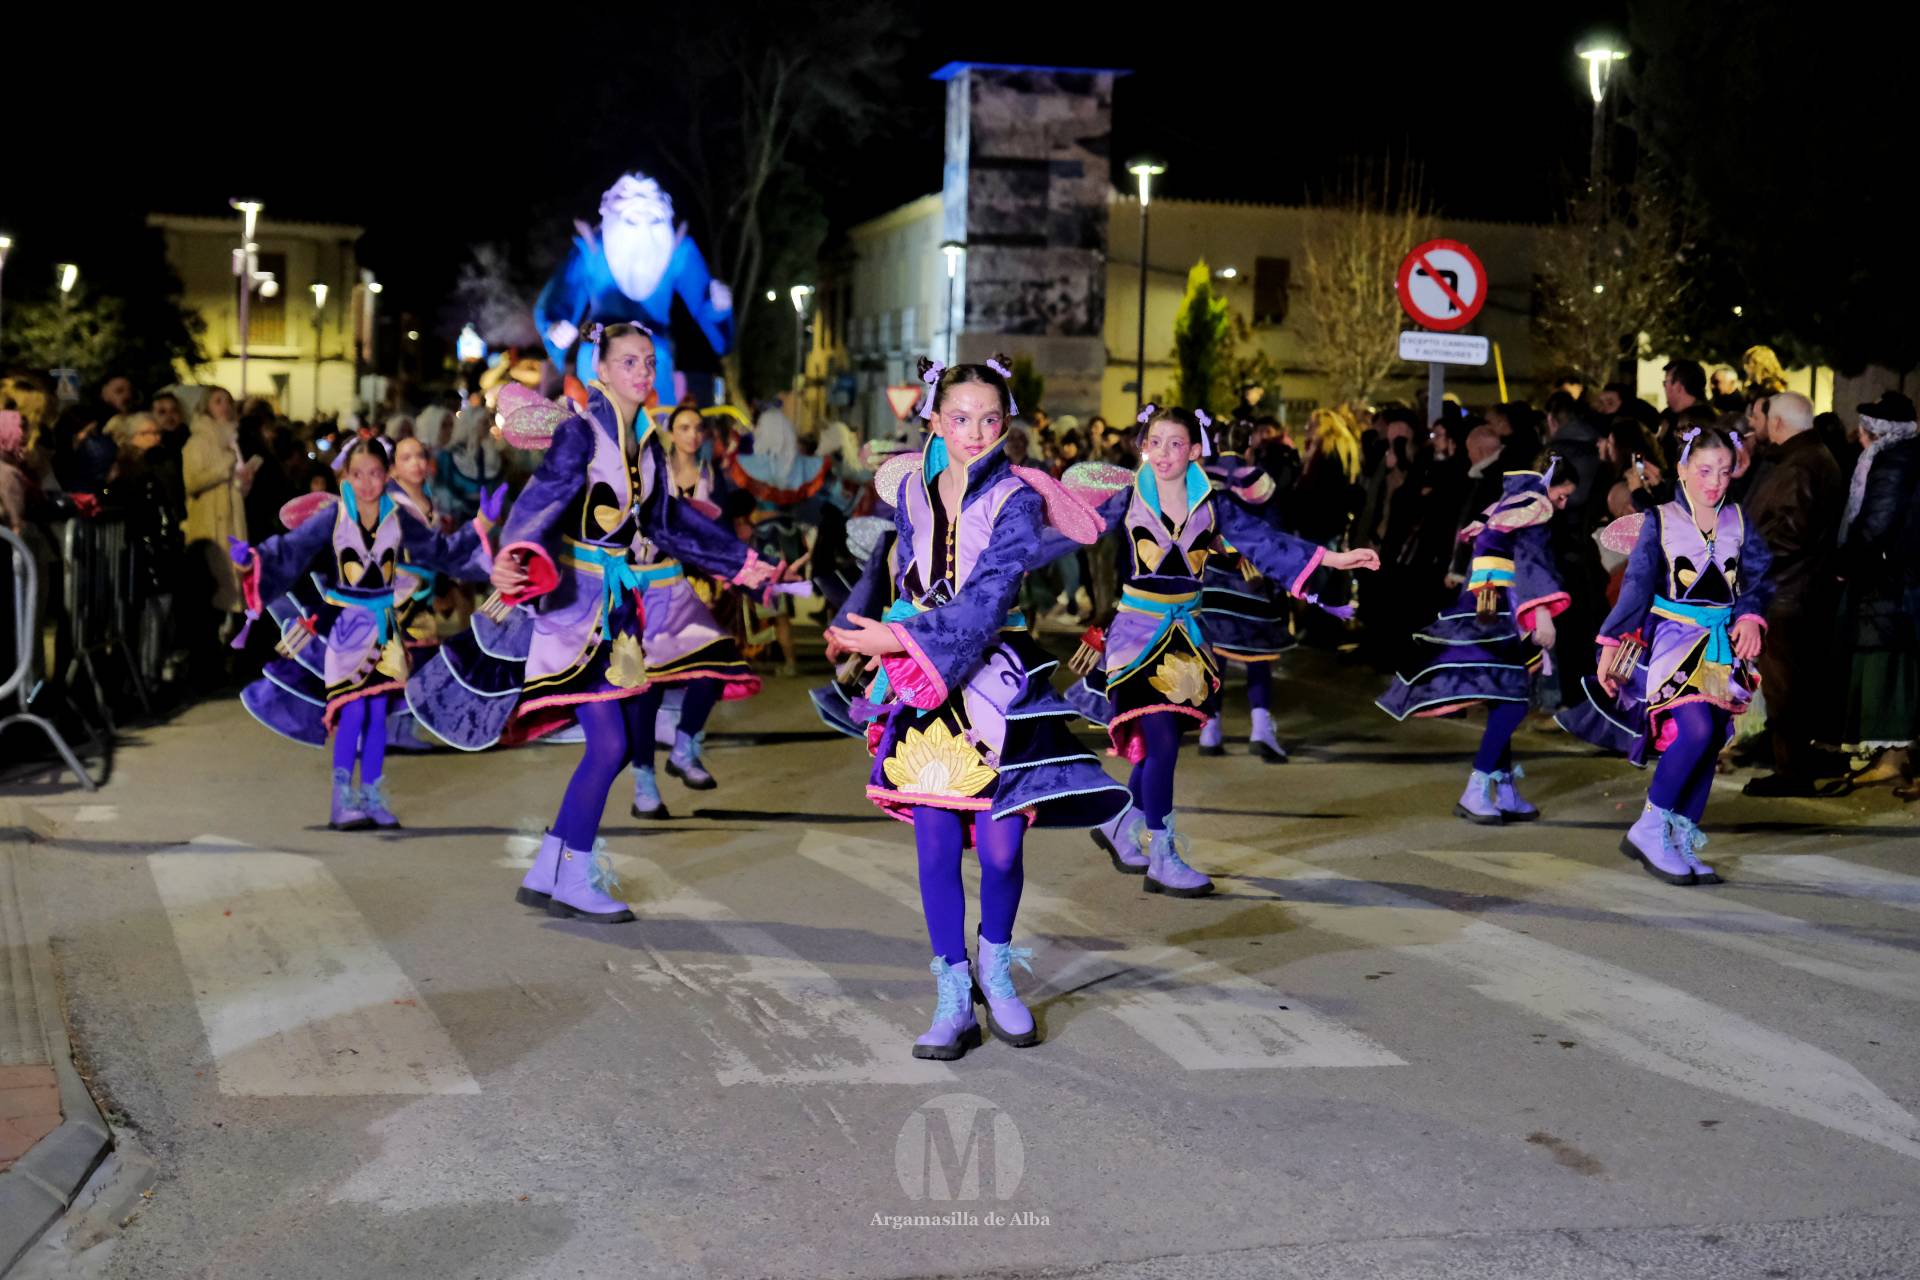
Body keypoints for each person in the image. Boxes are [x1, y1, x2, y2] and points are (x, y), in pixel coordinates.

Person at [407, 324, 776, 921]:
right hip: (574, 608)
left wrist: (741, 562)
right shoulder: (580, 432)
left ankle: (549, 868)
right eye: (628, 361)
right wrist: (513, 552)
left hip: (618, 611)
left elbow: (668, 521)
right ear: (600, 371)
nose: (642, 371)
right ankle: (574, 875)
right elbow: (540, 499)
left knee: (617, 744)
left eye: (649, 361)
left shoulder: (648, 442)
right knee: (610, 745)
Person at [824, 355, 1129, 1059]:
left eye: (990, 419)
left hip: (995, 679)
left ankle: (996, 964)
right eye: (960, 417)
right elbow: (897, 572)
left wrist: (898, 637)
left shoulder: (1017, 497)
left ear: (1006, 423)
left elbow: (991, 595)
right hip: (921, 676)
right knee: (934, 842)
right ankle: (953, 990)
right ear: (934, 419)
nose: (975, 431)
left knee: (1001, 846)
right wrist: (861, 631)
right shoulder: (911, 489)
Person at [1067, 406, 1378, 895]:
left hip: (1187, 637)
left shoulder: (1213, 505)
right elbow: (1065, 531)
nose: (1163, 453)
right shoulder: (1126, 498)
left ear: (1195, 451)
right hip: (1135, 635)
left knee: (1162, 741)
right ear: (1143, 447)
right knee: (1163, 743)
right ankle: (1162, 855)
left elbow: (1266, 542)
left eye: (1176, 444)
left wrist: (1335, 559)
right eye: (1155, 442)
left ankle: (1118, 822)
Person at [231, 437, 497, 828]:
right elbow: (291, 549)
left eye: (374, 473)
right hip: (348, 627)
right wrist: (253, 558)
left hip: (386, 630)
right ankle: (341, 802)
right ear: (346, 476)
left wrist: (480, 526)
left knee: (376, 714)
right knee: (353, 711)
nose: (367, 482)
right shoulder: (334, 515)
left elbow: (439, 551)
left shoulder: (398, 517)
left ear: (386, 475)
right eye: (358, 474)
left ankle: (372, 797)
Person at [1593, 426, 1774, 885]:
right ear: (1683, 469)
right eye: (1705, 470)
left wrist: (1750, 616)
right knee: (1695, 729)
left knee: (1711, 738)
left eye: (1724, 471)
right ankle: (1650, 826)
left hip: (1718, 644)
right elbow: (1636, 587)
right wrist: (1610, 644)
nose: (1714, 481)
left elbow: (1758, 578)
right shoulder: (1660, 519)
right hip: (1673, 639)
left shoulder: (1739, 519)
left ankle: (1678, 835)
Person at [1378, 467, 1570, 821]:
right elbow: (1532, 561)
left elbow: (1477, 561)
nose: (1562, 503)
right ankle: (1476, 789)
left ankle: (1505, 789)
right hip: (1505, 612)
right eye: (1562, 494)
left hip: (1482, 608)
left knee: (1503, 700)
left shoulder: (1499, 507)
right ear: (1548, 484)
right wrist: (1542, 612)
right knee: (1513, 702)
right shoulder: (1535, 507)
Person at [623, 404, 763, 815]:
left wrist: (738, 569)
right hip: (641, 591)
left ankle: (685, 746)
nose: (692, 434)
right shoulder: (644, 475)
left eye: (698, 427)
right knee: (646, 687)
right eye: (683, 427)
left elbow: (718, 532)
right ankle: (644, 783)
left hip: (694, 589)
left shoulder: (710, 475)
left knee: (715, 664)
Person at [1741, 393, 1844, 796]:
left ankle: (1792, 770)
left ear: (1779, 423)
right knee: (1791, 685)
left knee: (1785, 687)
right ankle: (1791, 761)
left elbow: (1790, 534)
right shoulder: (1810, 458)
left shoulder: (1801, 465)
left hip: (1786, 592)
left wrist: (1748, 553)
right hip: (1797, 589)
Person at [1832, 392, 1920, 791]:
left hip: (1888, 584)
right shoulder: (1903, 458)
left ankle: (1892, 757)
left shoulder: (1891, 463)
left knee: (1887, 670)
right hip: (1896, 582)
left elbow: (1876, 524)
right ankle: (1893, 755)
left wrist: (1846, 563)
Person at [182, 387, 259, 645]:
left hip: (232, 522)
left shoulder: (231, 440)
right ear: (206, 407)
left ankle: (228, 641)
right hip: (210, 525)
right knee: (215, 583)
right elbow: (192, 482)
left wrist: (244, 481)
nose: (224, 406)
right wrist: (225, 466)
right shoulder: (198, 442)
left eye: (228, 401)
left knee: (233, 584)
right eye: (217, 401)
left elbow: (233, 485)